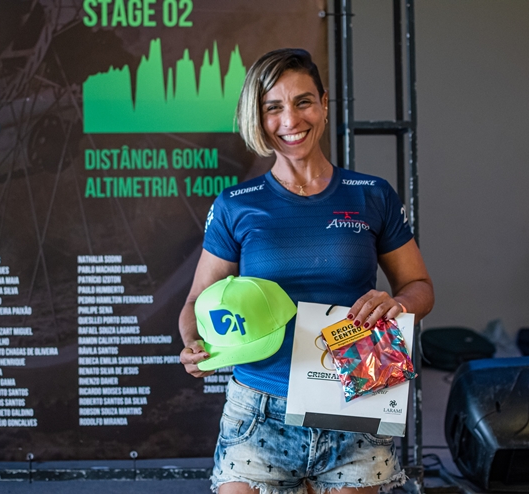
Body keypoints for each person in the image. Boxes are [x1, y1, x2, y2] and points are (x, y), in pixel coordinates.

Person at [179, 48, 434, 494]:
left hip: (357, 394)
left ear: (324, 103)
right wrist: (192, 343)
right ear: (257, 117)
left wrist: (396, 303)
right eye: (273, 107)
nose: (290, 120)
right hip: (259, 409)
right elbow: (197, 300)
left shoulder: (371, 194)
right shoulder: (236, 204)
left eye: (303, 102)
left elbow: (420, 287)